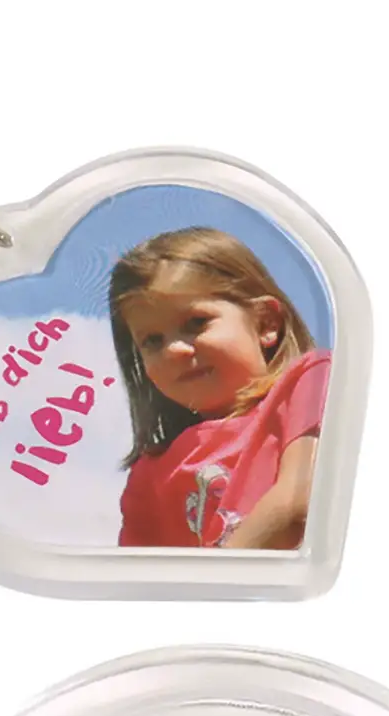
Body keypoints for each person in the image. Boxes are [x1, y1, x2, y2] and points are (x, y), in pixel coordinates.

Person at [109, 228, 330, 549]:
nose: (174, 350)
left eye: (196, 322)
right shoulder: (150, 476)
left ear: (266, 323)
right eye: (152, 341)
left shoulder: (311, 383)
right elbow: (142, 575)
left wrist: (216, 576)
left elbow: (302, 500)